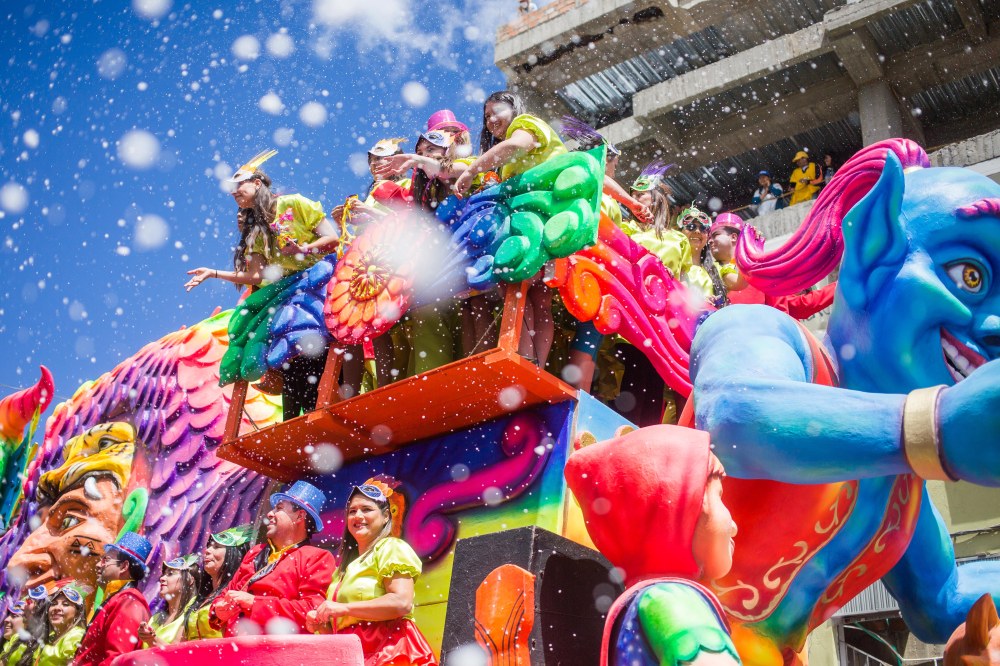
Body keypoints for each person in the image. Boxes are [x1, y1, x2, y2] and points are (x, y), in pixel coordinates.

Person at [184, 150, 342, 421]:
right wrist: (213, 273)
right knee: (289, 356)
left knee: (311, 348)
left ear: (257, 183)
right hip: (288, 294)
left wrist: (302, 249)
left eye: (239, 186)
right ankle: (293, 421)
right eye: (231, 189)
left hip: (319, 284)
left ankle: (320, 409)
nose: (234, 192)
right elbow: (255, 277)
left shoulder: (294, 203)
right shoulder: (257, 232)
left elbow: (332, 239)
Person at [564, 426, 740, 666]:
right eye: (718, 496)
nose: (734, 526)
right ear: (679, 510)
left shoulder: (645, 598)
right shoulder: (672, 599)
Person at [452, 91, 566, 368]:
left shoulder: (526, 124)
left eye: (496, 111)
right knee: (534, 294)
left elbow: (516, 145)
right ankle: (531, 363)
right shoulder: (504, 166)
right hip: (543, 225)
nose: (491, 120)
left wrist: (471, 171)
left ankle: (524, 360)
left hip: (542, 223)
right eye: (486, 116)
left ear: (514, 108)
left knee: (519, 286)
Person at [307, 480, 436, 666]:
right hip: (352, 654)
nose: (358, 515)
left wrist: (343, 608)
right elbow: (343, 627)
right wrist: (322, 624)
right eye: (352, 511)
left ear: (385, 517)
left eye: (366, 509)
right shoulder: (343, 570)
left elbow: (401, 603)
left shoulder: (391, 548)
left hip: (389, 650)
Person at [210, 481, 335, 636]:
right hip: (234, 647)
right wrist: (219, 610)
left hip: (276, 649)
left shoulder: (317, 557)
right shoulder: (254, 552)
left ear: (300, 516)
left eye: (279, 508)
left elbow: (311, 610)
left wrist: (254, 604)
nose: (270, 513)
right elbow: (226, 594)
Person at [75, 531, 152, 666]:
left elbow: (118, 659)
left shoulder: (129, 601)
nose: (98, 565)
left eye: (106, 560)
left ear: (124, 566)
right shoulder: (120, 598)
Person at [184, 524, 255, 641]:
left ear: (233, 555)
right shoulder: (197, 600)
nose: (207, 550)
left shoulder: (236, 595)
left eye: (216, 547)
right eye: (208, 546)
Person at [137, 555, 200, 648]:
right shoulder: (155, 618)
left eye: (170, 574)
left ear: (189, 580)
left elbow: (180, 654)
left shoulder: (194, 614)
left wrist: (152, 640)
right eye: (163, 574)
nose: (162, 578)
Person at [35, 580, 88, 666]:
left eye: (65, 604)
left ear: (77, 613)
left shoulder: (76, 636)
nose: (57, 608)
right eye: (53, 604)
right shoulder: (50, 637)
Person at [1, 600, 28, 665]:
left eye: (14, 616)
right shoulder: (5, 645)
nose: (6, 619)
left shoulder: (26, 649)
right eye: (8, 615)